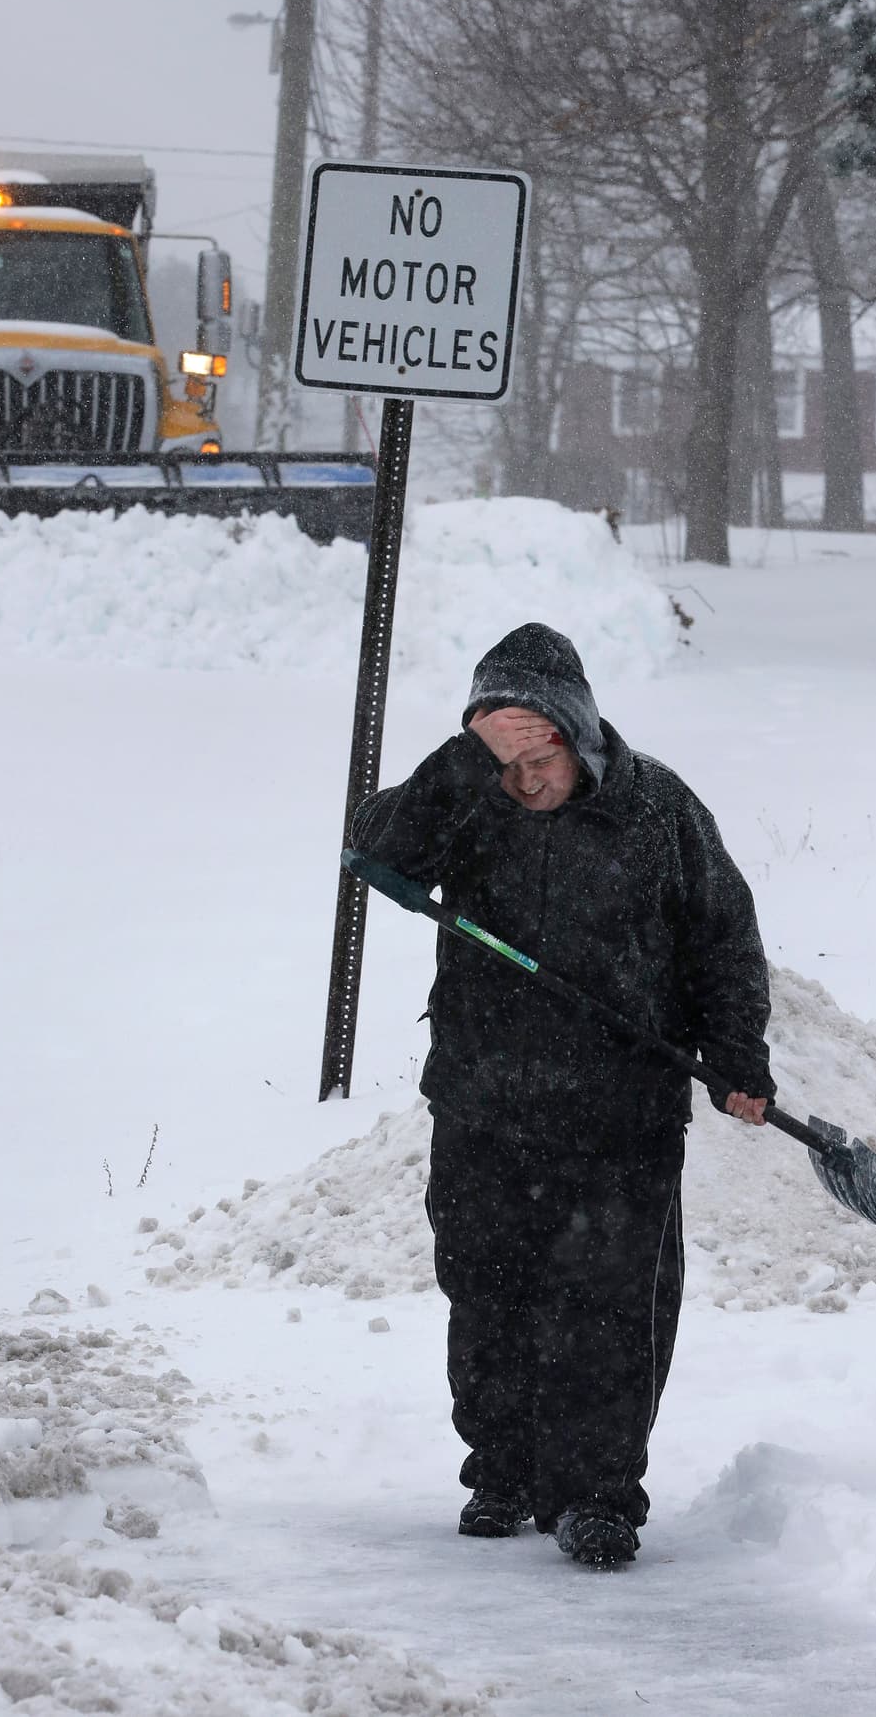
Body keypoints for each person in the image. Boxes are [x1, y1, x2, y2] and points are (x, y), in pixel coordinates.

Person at [352, 623, 773, 1570]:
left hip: (619, 1113)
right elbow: (375, 850)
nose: (523, 779)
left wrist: (738, 1053)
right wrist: (465, 761)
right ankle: (501, 1470)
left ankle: (594, 1495)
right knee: (485, 1292)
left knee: (610, 1307)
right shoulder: (470, 800)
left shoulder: (658, 808)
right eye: (500, 756)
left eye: (534, 752)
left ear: (577, 740)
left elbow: (723, 936)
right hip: (483, 1102)